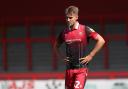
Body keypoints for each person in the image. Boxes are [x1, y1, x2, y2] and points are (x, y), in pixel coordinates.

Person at [54, 5, 105, 89]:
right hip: (69, 70)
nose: (68, 20)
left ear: (76, 17)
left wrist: (91, 55)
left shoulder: (85, 29)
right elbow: (56, 46)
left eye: (70, 18)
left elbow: (101, 40)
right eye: (66, 18)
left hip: (81, 70)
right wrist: (61, 57)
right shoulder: (64, 32)